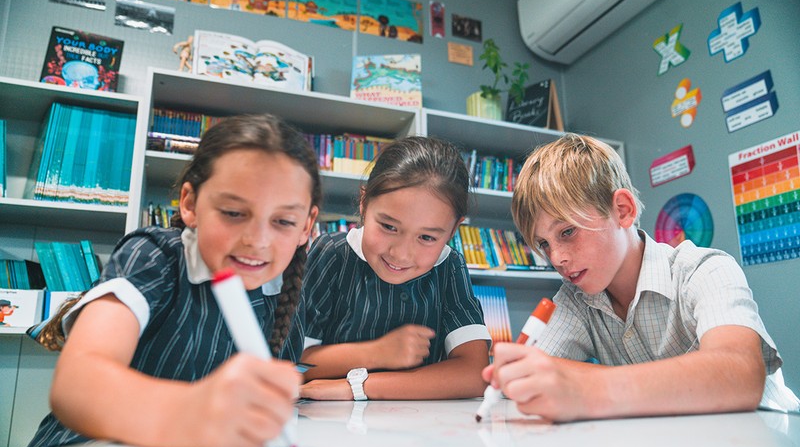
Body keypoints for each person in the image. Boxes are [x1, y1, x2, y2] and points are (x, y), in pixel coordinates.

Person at [23, 114, 321, 447]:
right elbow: (76, 385)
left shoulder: (287, 291)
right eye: (233, 213)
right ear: (191, 204)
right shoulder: (155, 256)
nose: (257, 240)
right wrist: (193, 412)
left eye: (283, 221)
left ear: (306, 226)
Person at [483, 133, 800, 422]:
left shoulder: (704, 269)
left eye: (567, 231)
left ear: (622, 210)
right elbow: (533, 374)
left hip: (766, 444)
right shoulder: (576, 298)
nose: (556, 258)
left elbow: (739, 376)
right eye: (544, 244)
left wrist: (589, 388)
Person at [299, 136, 491, 401]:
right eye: (388, 227)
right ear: (364, 203)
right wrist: (378, 352)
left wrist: (358, 387)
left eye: (427, 237)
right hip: (330, 424)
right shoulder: (332, 254)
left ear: (452, 231)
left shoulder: (449, 265)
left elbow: (474, 373)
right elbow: (294, 361)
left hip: (415, 431)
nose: (400, 254)